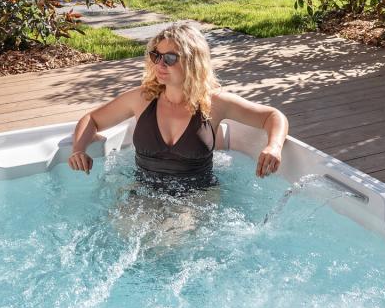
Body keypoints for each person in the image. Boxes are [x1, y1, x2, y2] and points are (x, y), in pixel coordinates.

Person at [68, 22, 289, 186]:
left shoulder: (215, 103)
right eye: (156, 56)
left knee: (174, 239)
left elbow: (272, 116)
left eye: (170, 58)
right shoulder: (142, 99)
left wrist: (274, 146)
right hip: (145, 192)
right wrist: (78, 149)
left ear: (193, 62)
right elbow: (92, 119)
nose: (160, 64)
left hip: (197, 197)